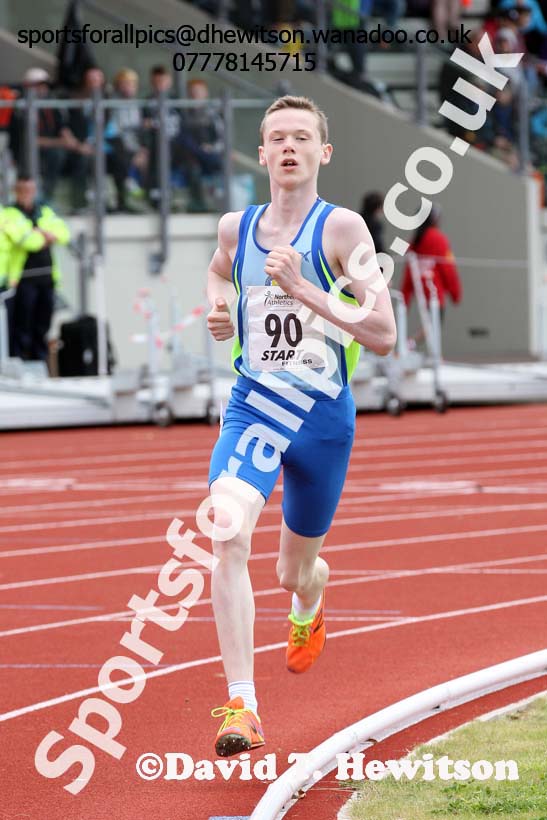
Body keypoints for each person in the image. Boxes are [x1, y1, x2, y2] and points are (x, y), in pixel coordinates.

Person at [206, 95, 396, 756]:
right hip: (254, 406)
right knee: (225, 529)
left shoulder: (342, 232)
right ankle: (241, 706)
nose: (288, 147)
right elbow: (216, 270)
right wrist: (217, 305)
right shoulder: (237, 227)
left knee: (293, 571)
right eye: (276, 138)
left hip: (320, 421)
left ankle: (309, 601)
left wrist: (310, 292)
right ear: (260, 153)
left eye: (300, 138)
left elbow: (383, 333)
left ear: (323, 153)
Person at [4, 176, 69, 362]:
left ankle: (39, 360)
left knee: (43, 322)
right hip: (24, 277)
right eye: (23, 190)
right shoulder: (9, 213)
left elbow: (63, 234)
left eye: (30, 190)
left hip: (47, 277)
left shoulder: (44, 211)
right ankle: (21, 360)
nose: (27, 194)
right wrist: (46, 235)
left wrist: (39, 233)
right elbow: (25, 240)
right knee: (23, 323)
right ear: (16, 191)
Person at [400, 204, 461, 346]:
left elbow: (409, 274)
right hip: (435, 291)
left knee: (431, 326)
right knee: (434, 326)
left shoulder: (414, 241)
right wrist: (455, 293)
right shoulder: (438, 239)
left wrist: (405, 300)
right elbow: (448, 268)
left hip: (422, 290)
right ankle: (411, 346)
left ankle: (410, 346)